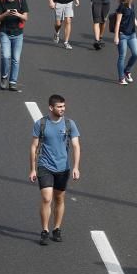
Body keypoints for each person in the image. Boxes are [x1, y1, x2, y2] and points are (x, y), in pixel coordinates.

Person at [28, 95, 81, 246]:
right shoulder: (41, 124)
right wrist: (32, 169)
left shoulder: (70, 124)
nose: (62, 109)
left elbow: (76, 146)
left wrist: (76, 167)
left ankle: (56, 229)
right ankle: (44, 230)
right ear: (51, 108)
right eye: (59, 107)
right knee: (46, 198)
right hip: (45, 166)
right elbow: (33, 147)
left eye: (63, 106)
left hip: (63, 168)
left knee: (59, 199)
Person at [0, 0, 29, 91]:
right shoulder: (2, 1)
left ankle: (13, 81)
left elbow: (25, 17)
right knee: (5, 56)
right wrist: (6, 14)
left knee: (16, 59)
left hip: (18, 34)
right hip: (5, 32)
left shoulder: (21, 0)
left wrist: (17, 14)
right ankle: (4, 77)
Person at [113, 0, 137, 85]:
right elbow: (118, 23)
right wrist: (116, 36)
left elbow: (133, 18)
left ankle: (127, 70)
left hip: (132, 34)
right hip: (122, 35)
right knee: (122, 56)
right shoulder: (121, 7)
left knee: (136, 54)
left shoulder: (132, 5)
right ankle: (121, 78)